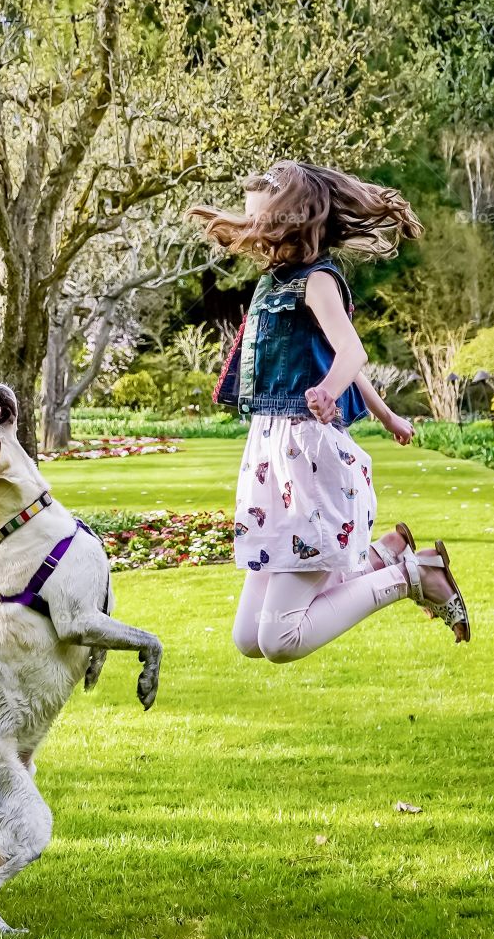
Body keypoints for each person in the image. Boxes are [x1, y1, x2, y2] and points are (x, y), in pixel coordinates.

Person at [187, 159, 471, 664]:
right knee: (249, 639)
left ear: (291, 222)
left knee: (280, 640)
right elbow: (330, 354)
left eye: (261, 223)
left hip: (309, 462)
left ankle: (412, 577)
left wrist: (327, 391)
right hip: (271, 463)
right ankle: (387, 557)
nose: (253, 233)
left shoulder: (317, 281)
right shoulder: (272, 282)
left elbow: (351, 354)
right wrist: (386, 414)